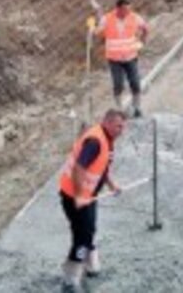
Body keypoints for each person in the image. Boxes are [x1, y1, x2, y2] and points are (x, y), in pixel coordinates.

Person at [58, 109, 127, 290]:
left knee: (88, 230)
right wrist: (80, 196)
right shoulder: (95, 142)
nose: (122, 131)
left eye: (123, 127)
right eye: (119, 126)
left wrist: (112, 185)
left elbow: (102, 167)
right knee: (82, 236)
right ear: (107, 122)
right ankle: (71, 276)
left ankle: (89, 264)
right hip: (74, 196)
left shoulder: (106, 139)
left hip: (88, 196)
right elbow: (79, 168)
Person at [96, 0, 148, 118]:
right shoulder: (107, 19)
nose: (128, 12)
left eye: (129, 9)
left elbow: (145, 28)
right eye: (125, 9)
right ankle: (120, 109)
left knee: (135, 83)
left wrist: (142, 42)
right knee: (118, 84)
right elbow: (99, 32)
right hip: (114, 59)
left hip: (131, 57)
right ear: (118, 8)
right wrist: (96, 29)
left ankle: (137, 108)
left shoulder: (134, 17)